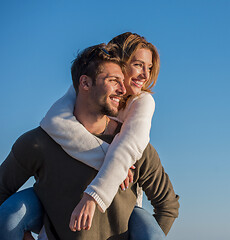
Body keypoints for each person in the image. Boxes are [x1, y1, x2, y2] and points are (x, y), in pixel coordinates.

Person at [0, 43, 179, 240]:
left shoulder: (134, 148)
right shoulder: (39, 142)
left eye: (122, 81)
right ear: (85, 83)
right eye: (113, 80)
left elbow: (167, 205)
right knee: (11, 211)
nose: (123, 90)